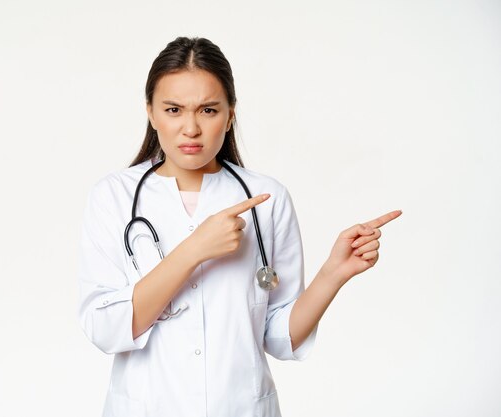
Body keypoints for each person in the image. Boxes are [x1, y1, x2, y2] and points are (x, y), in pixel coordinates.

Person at [77, 36, 401, 417]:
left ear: (230, 114)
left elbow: (280, 337)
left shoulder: (267, 197)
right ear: (151, 112)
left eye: (209, 110)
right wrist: (194, 249)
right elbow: (104, 327)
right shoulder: (113, 197)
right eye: (174, 109)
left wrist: (333, 273)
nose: (191, 128)